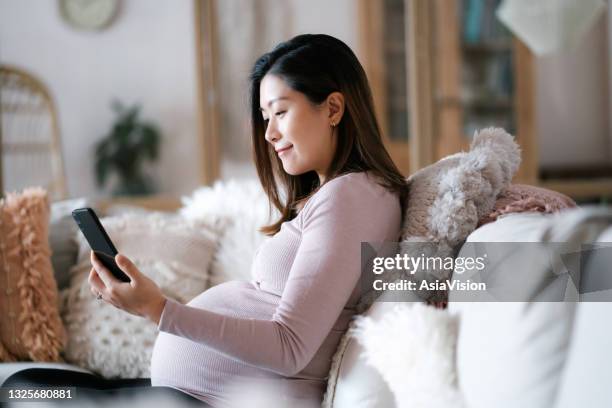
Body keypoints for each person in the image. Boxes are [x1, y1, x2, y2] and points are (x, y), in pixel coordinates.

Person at [5, 33, 408, 408]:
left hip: (214, 401)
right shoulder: (343, 195)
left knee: (26, 392)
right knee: (27, 384)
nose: (269, 134)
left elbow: (290, 347)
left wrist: (159, 310)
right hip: (191, 393)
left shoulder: (352, 195)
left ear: (334, 108)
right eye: (265, 117)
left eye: (280, 112)